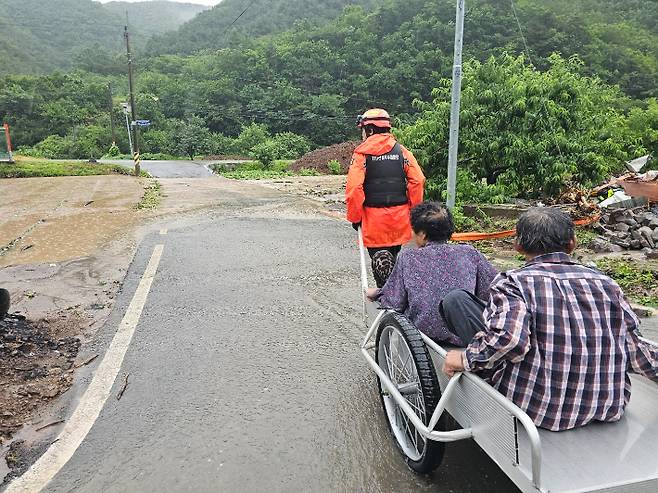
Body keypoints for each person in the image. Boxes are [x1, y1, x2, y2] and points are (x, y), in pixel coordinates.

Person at [441, 207, 658, 431]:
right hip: (606, 407)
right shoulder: (607, 284)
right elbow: (634, 348)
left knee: (458, 301)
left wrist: (465, 358)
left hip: (535, 410)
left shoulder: (513, 283)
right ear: (572, 243)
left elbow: (510, 340)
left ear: (518, 246)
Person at [365, 202, 497, 345]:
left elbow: (394, 302)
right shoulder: (469, 253)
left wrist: (379, 293)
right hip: (464, 334)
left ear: (422, 234)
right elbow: (491, 290)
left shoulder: (408, 257)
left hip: (423, 335)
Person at [346, 108, 425, 287]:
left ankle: (386, 294)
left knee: (380, 260)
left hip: (374, 221)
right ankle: (396, 291)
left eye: (363, 130)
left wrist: (355, 217)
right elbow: (418, 180)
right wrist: (414, 211)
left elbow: (354, 189)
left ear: (370, 130)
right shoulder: (402, 152)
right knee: (394, 257)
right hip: (399, 219)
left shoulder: (361, 156)